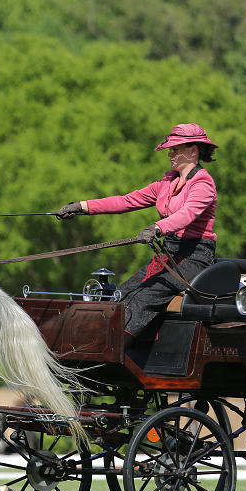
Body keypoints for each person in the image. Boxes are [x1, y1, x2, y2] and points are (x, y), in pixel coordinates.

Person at [56, 123, 218, 348]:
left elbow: (187, 214)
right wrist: (82, 206)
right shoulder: (167, 182)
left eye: (175, 149)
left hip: (194, 257)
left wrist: (157, 228)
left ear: (194, 151)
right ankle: (97, 347)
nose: (169, 154)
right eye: (169, 149)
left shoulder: (203, 183)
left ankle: (110, 350)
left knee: (142, 298)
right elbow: (126, 201)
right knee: (121, 295)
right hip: (169, 252)